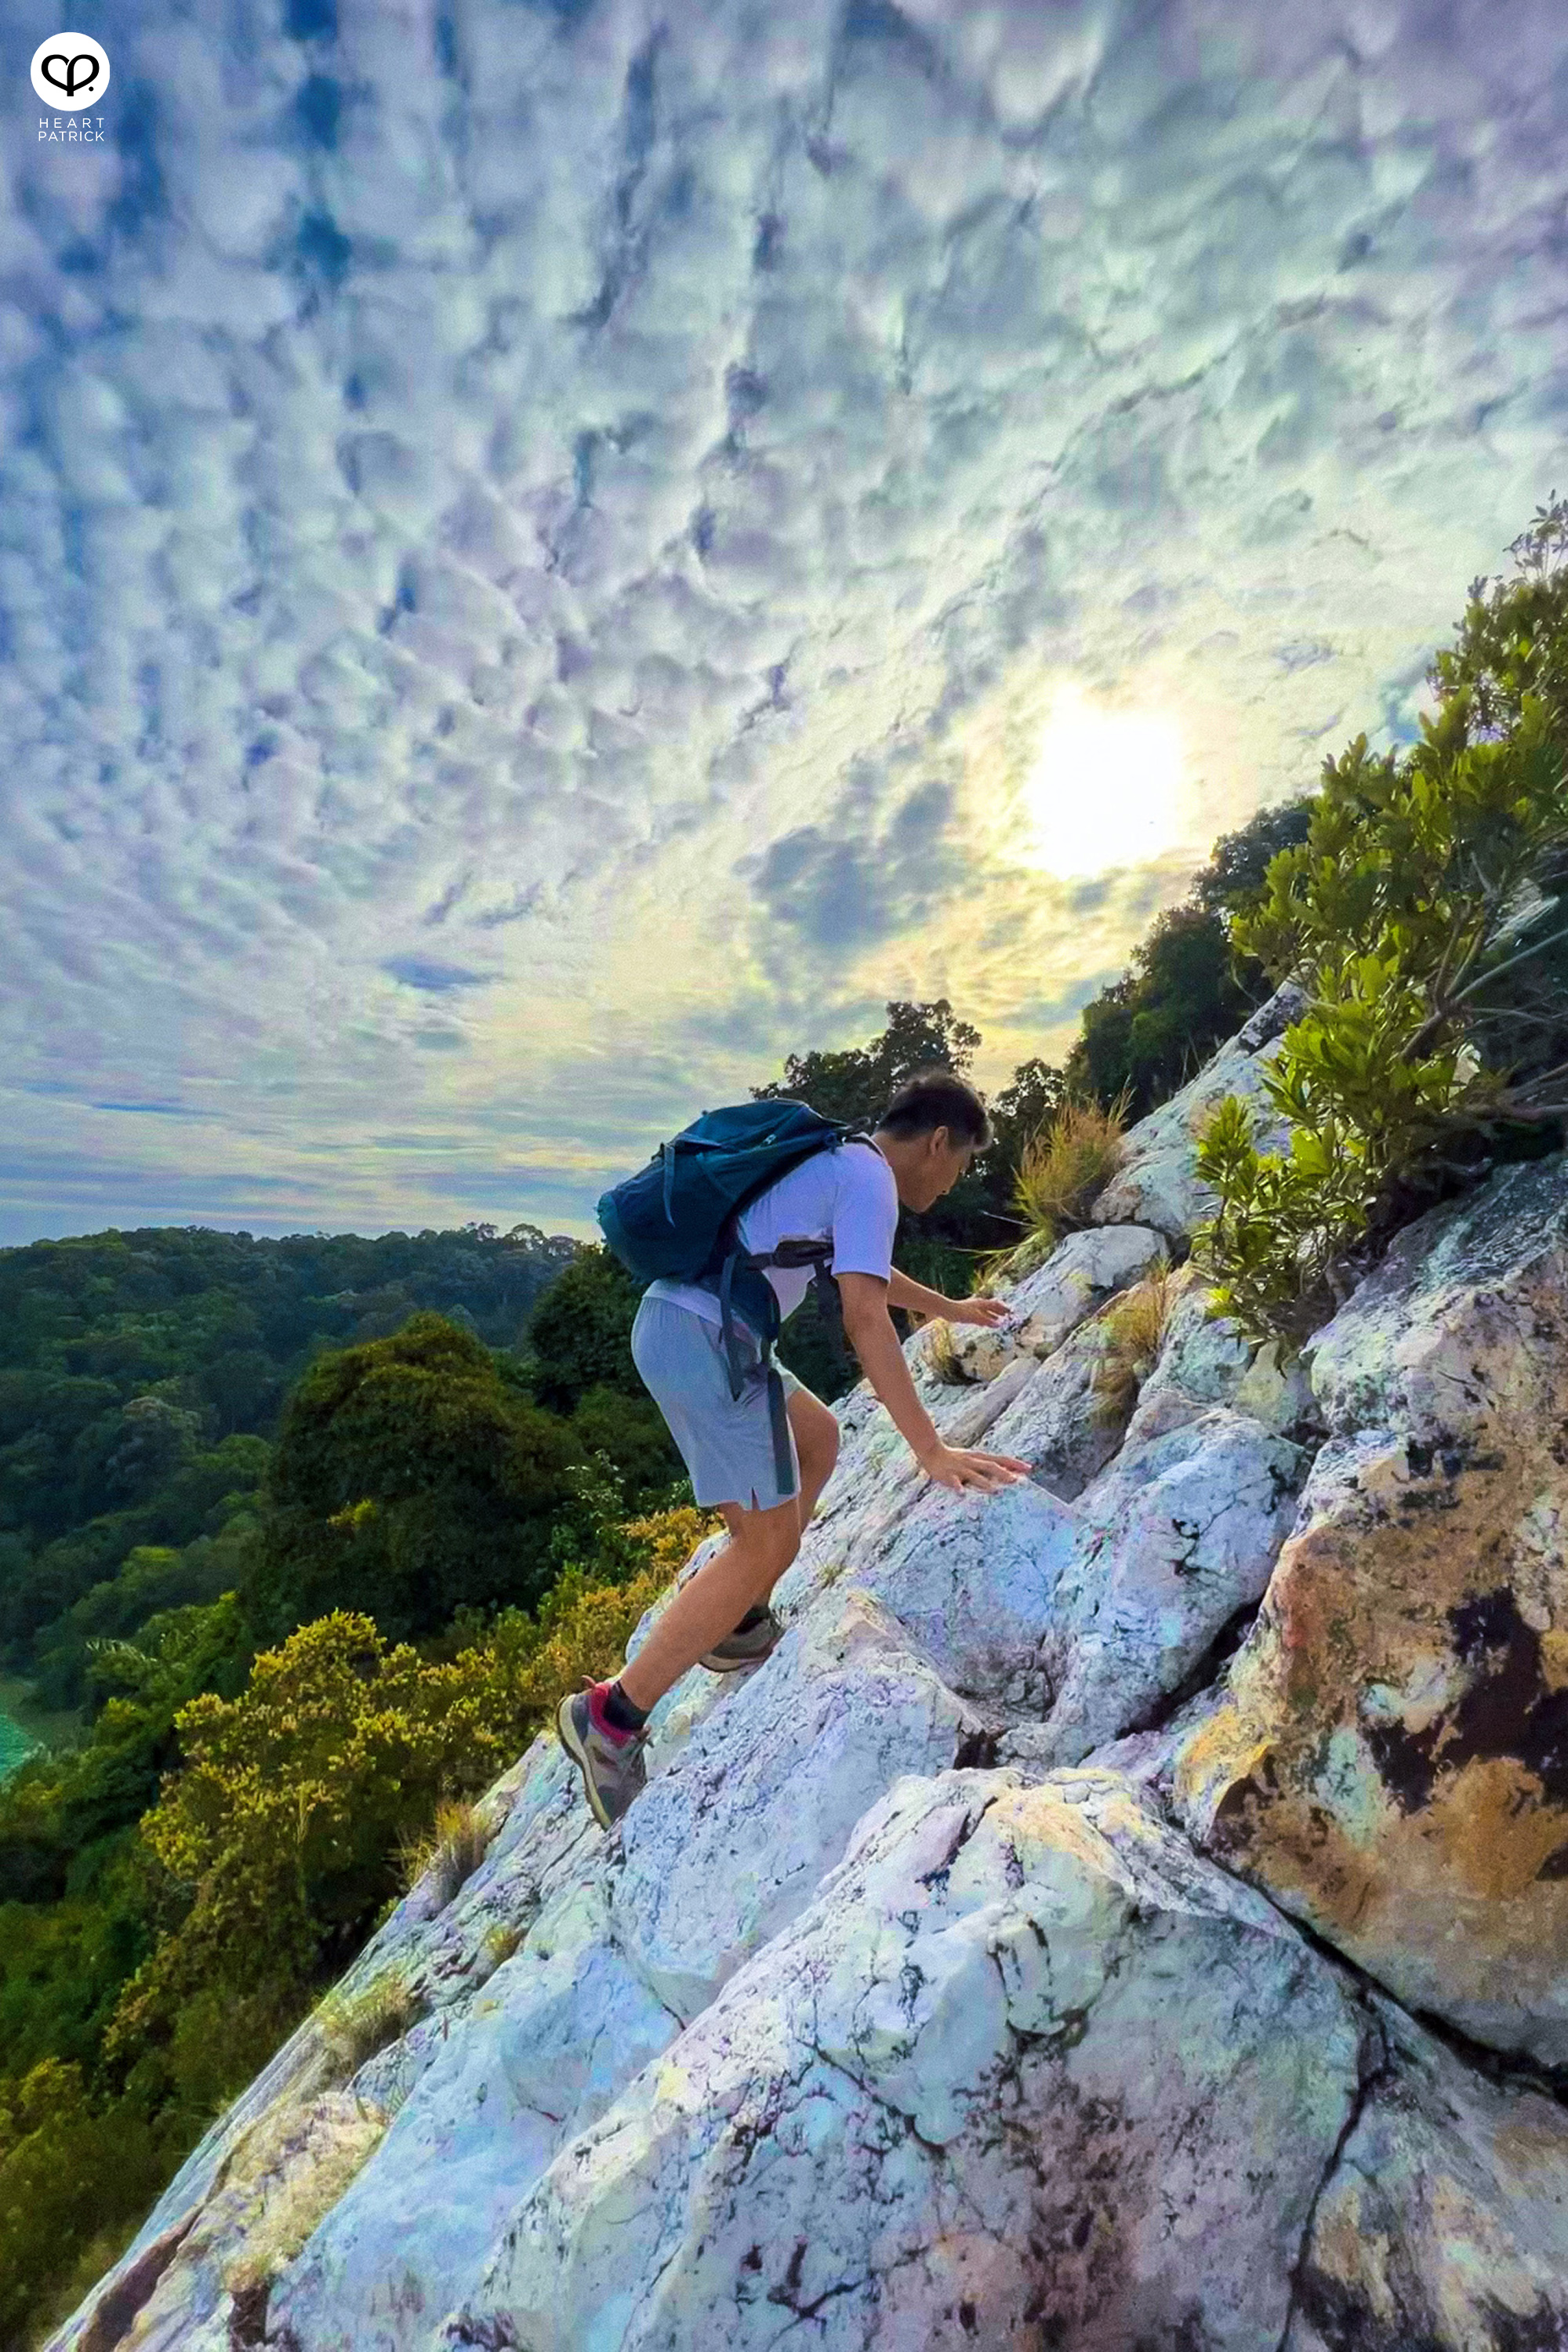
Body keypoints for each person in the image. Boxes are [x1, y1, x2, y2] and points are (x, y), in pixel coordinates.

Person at [557, 1067, 1031, 1828]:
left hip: (697, 1326)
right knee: (766, 1542)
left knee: (818, 1437)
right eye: (961, 1164)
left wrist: (949, 1308)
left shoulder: (844, 1162)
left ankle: (738, 1623)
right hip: (707, 1340)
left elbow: (869, 1273)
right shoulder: (867, 1179)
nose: (953, 1183)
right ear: (938, 1142)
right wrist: (931, 1449)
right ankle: (610, 1718)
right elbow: (864, 1318)